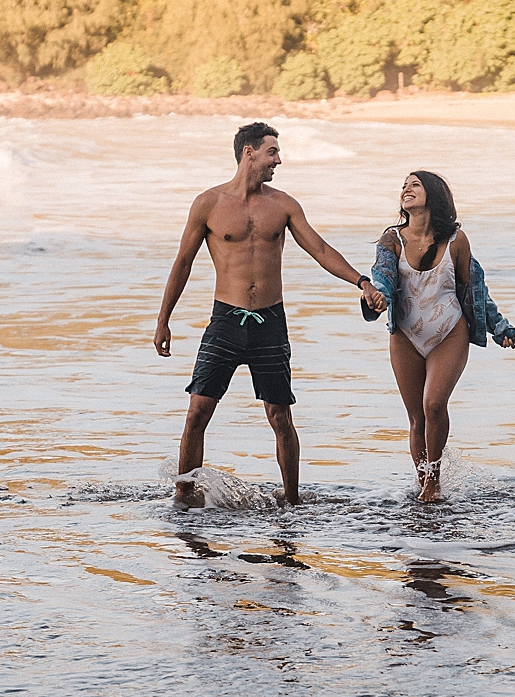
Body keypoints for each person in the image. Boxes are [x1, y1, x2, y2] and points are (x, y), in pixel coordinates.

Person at [155, 122, 386, 507]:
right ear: (249, 152)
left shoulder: (283, 205)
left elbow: (321, 249)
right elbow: (183, 262)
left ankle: (291, 500)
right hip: (226, 321)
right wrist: (164, 319)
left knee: (280, 416)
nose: (278, 159)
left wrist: (361, 281)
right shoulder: (208, 204)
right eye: (272, 152)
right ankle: (183, 497)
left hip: (270, 324)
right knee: (197, 410)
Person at [363, 171, 515, 502]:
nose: (406, 189)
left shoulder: (456, 240)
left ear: (433, 195)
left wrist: (501, 329)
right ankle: (422, 481)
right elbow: (382, 277)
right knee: (416, 417)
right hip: (406, 334)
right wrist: (376, 297)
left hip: (449, 331)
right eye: (404, 185)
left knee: (434, 404)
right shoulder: (392, 239)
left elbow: (475, 292)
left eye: (415, 184)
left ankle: (434, 483)